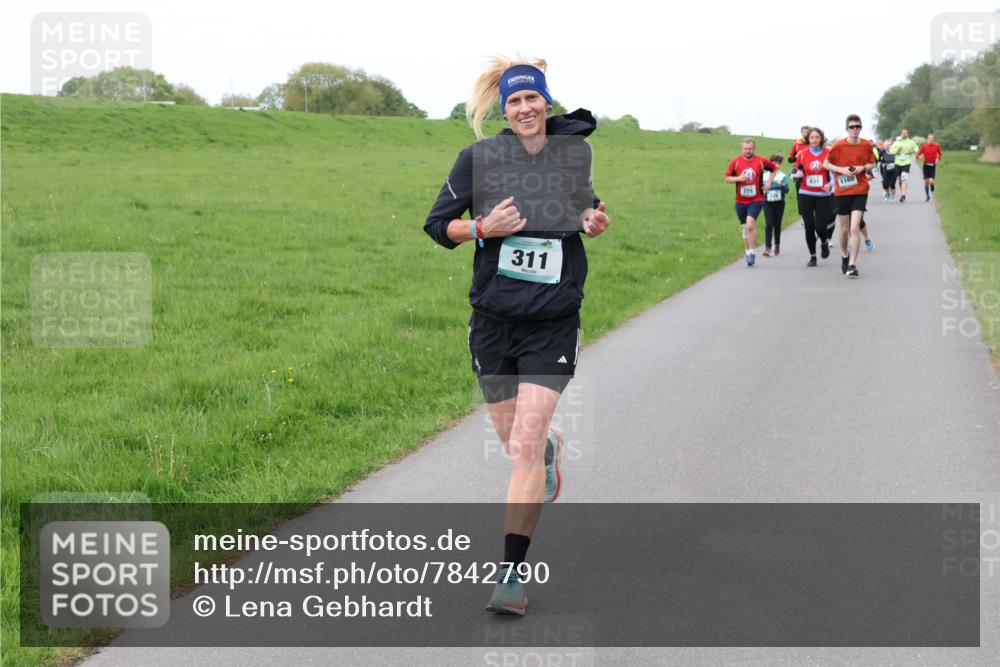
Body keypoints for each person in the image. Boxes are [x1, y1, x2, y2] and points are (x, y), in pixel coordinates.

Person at [424, 57, 610, 615]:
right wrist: (481, 227)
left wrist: (594, 220)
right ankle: (548, 452)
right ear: (504, 110)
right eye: (514, 102)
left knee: (523, 446)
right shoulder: (478, 159)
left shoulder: (573, 152)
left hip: (553, 319)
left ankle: (510, 574)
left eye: (533, 100)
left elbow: (585, 207)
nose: (525, 109)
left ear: (546, 104)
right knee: (519, 443)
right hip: (495, 322)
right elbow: (438, 226)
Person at [825, 114, 875, 278]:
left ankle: (853, 264)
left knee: (855, 228)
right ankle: (845, 254)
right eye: (852, 127)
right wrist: (841, 170)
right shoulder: (839, 146)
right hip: (842, 191)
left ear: (861, 128)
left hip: (860, 190)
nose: (855, 129)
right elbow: (826, 164)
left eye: (857, 127)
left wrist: (862, 168)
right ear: (846, 129)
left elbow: (872, 163)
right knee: (844, 230)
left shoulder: (867, 145)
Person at [724, 139, 778, 266]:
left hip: (756, 199)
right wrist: (739, 178)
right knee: (744, 228)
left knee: (749, 225)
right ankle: (748, 252)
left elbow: (774, 169)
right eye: (745, 149)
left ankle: (753, 252)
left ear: (754, 148)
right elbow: (727, 178)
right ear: (742, 149)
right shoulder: (736, 162)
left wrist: (769, 184)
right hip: (740, 201)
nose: (748, 151)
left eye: (750, 148)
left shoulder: (761, 161)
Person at [792, 127, 835, 266]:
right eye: (812, 137)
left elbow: (836, 173)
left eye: (817, 137)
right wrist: (795, 175)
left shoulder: (829, 153)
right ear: (808, 139)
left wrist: (831, 185)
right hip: (805, 193)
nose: (814, 140)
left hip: (823, 194)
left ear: (821, 138)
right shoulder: (802, 154)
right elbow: (793, 172)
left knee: (821, 227)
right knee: (809, 226)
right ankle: (813, 256)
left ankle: (823, 242)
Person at [761, 155, 789, 256]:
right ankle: (768, 248)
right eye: (774, 163)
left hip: (779, 203)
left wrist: (782, 185)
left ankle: (777, 245)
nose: (776, 165)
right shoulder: (764, 176)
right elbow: (760, 188)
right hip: (767, 202)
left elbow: (786, 190)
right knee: (769, 224)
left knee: (777, 224)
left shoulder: (783, 176)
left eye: (778, 163)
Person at [889, 128, 919, 203]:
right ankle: (902, 192)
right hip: (898, 163)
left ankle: (903, 195)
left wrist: (912, 151)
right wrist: (897, 150)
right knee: (899, 180)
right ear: (901, 134)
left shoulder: (911, 142)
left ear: (907, 134)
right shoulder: (896, 142)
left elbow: (917, 148)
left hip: (907, 162)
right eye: (903, 133)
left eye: (906, 133)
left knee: (904, 179)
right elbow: (891, 151)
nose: (904, 134)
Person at [917, 133, 943, 201]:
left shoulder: (937, 146)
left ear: (933, 140)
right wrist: (919, 157)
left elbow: (940, 154)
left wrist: (938, 159)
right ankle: (928, 196)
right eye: (929, 139)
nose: (930, 140)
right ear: (927, 139)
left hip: (933, 166)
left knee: (931, 181)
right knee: (926, 182)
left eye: (932, 139)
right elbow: (918, 154)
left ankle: (932, 185)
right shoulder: (924, 147)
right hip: (926, 166)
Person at [788, 125, 810, 194]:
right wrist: (796, 156)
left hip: (810, 169)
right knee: (799, 191)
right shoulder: (797, 145)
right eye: (803, 132)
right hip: (799, 170)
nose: (805, 134)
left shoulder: (813, 144)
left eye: (807, 132)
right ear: (801, 133)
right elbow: (789, 159)